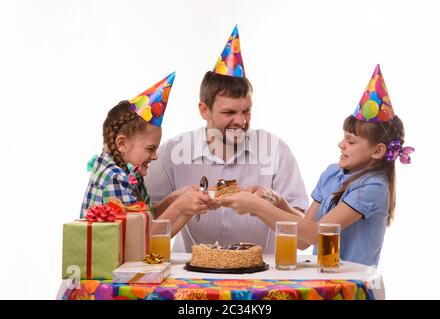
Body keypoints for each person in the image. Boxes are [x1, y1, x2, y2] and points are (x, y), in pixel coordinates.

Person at [216, 65, 414, 266]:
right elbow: (303, 239)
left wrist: (258, 208)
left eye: (351, 141)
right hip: (324, 280)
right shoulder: (332, 174)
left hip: (351, 287)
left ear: (378, 151)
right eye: (343, 138)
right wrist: (276, 202)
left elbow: (319, 235)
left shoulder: (373, 187)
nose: (341, 144)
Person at [145, 25, 309, 253]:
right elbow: (143, 234)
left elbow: (304, 241)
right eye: (229, 113)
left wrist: (264, 206)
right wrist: (179, 204)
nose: (241, 121)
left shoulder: (277, 150)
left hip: (261, 279)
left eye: (246, 111)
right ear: (204, 110)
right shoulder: (172, 152)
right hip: (191, 278)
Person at [80, 73, 211, 236]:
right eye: (150, 149)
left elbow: (142, 219)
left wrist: (174, 198)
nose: (155, 157)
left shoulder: (127, 173)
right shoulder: (115, 180)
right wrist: (182, 207)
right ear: (122, 144)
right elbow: (143, 242)